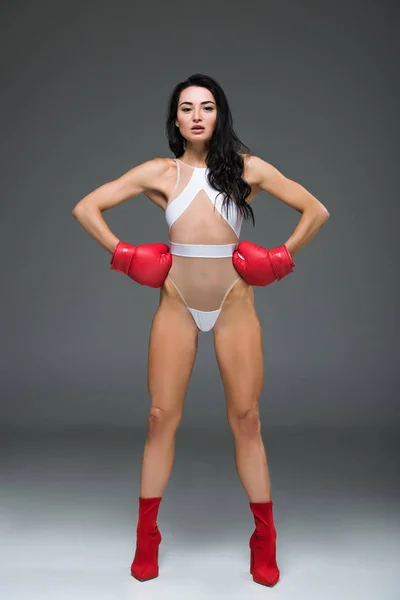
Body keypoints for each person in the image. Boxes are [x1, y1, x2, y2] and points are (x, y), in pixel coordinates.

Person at [72, 73, 330, 586]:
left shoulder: (247, 170)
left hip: (234, 304)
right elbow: (87, 207)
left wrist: (281, 258)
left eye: (206, 107)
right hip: (177, 304)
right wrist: (125, 256)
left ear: (219, 115)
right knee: (159, 417)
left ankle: (264, 538)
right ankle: (147, 537)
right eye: (186, 108)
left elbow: (315, 210)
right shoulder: (161, 173)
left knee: (248, 420)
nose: (196, 115)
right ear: (175, 118)